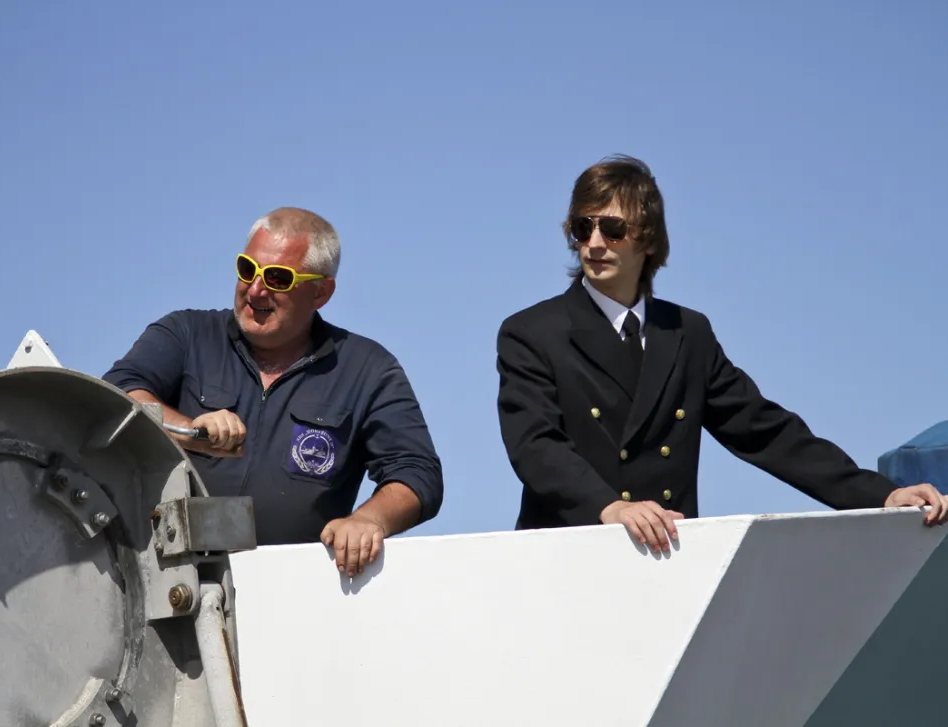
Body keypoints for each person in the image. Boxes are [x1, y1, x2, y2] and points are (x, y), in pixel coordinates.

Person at [495, 154, 948, 553]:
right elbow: (535, 446)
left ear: (648, 239)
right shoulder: (532, 332)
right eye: (583, 227)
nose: (594, 243)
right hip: (566, 558)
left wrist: (880, 495)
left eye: (613, 229)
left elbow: (763, 430)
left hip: (666, 559)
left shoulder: (687, 333)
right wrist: (610, 507)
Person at [102, 207, 443, 576]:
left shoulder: (368, 369)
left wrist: (368, 521)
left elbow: (417, 474)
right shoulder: (186, 334)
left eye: (278, 278)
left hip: (292, 591)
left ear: (321, 292)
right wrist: (190, 432)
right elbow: (116, 394)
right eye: (247, 269)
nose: (255, 289)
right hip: (164, 581)